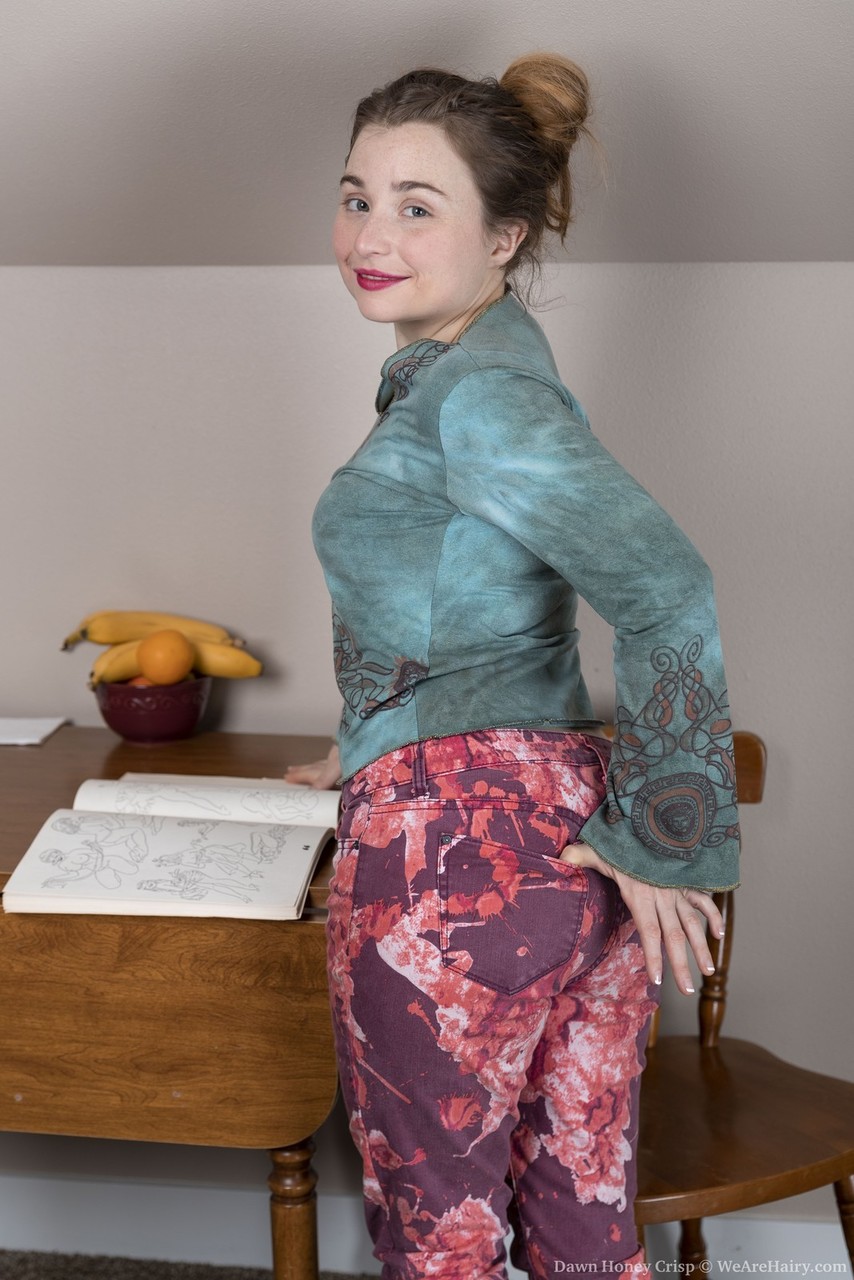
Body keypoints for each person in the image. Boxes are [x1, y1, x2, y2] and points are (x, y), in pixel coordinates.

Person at [287, 51, 740, 1280]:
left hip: (452, 858)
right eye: (355, 196)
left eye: (414, 206)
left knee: (441, 1239)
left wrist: (670, 832)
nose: (368, 236)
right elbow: (480, 616)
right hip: (563, 839)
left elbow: (667, 587)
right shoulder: (482, 368)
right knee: (583, 1228)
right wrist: (368, 731)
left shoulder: (478, 397)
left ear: (504, 237)